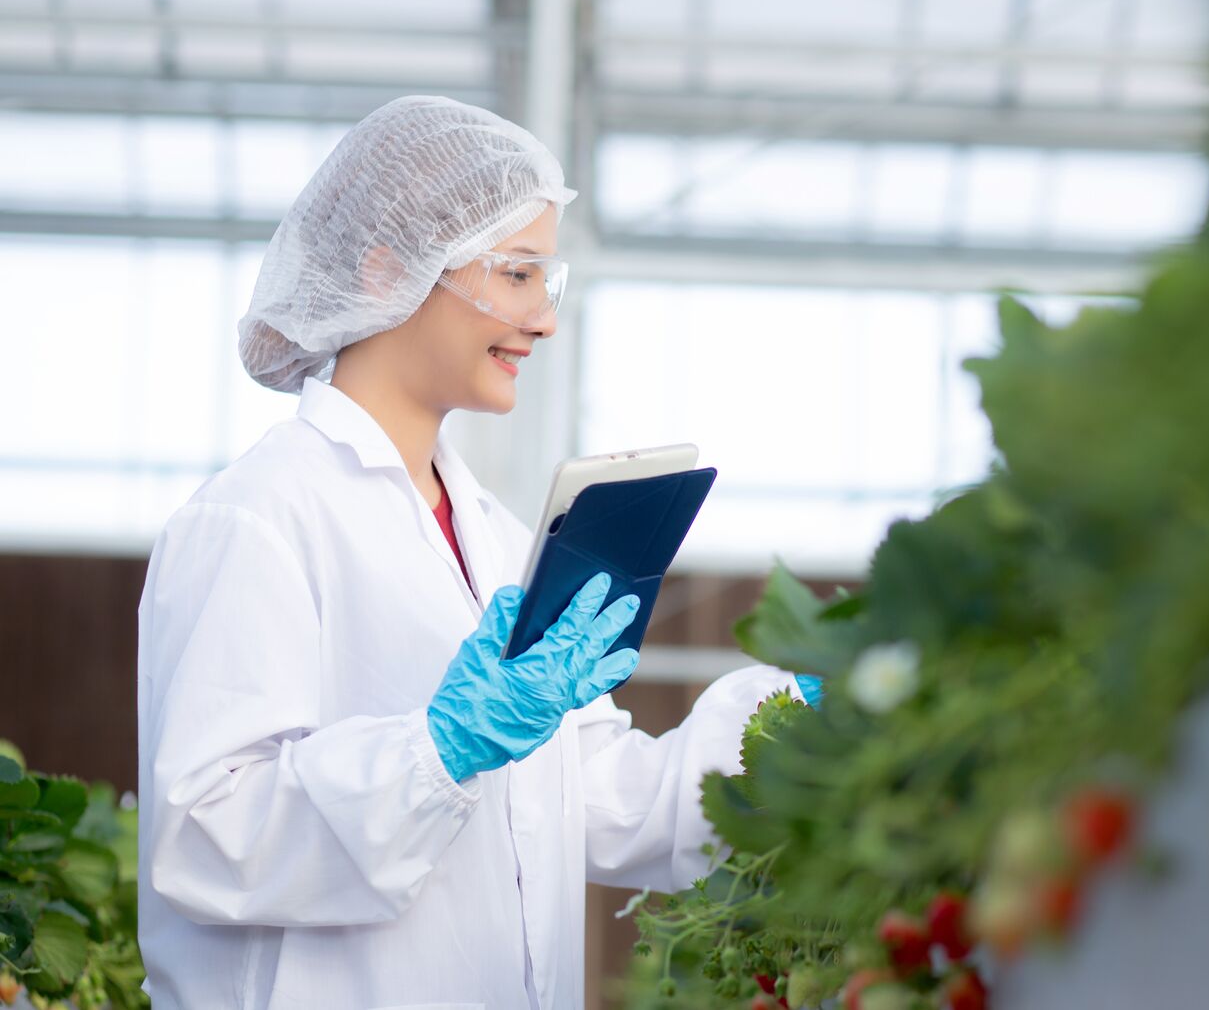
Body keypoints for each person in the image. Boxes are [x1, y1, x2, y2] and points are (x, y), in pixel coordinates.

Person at [135, 95, 825, 1009]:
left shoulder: (498, 534)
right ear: (389, 268)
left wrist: (786, 724)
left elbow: (598, 802)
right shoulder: (257, 518)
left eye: (550, 281)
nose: (543, 319)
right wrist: (441, 751)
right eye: (516, 274)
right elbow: (202, 835)